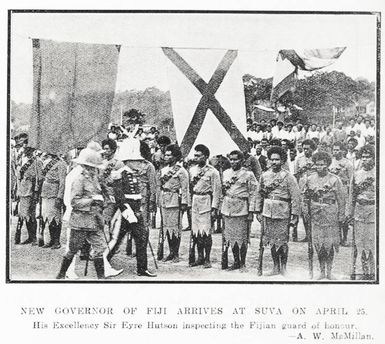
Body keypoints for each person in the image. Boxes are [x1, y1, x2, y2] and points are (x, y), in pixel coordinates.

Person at [56, 148, 108, 279]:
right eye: (91, 167)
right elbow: (74, 201)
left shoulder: (95, 179)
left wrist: (103, 200)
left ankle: (101, 278)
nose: (94, 170)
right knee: (73, 250)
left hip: (95, 220)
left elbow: (100, 194)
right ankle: (61, 274)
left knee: (100, 248)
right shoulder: (79, 180)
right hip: (80, 221)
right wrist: (92, 200)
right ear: (85, 166)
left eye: (95, 168)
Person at [110, 138, 157, 277]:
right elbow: (119, 196)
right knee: (115, 240)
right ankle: (103, 262)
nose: (140, 163)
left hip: (136, 211)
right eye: (137, 161)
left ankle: (142, 269)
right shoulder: (120, 174)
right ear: (129, 161)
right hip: (125, 212)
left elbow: (137, 195)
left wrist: (139, 210)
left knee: (142, 239)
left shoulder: (134, 174)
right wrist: (127, 212)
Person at [300, 151, 346, 280]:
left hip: (330, 214)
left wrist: (341, 216)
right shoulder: (309, 179)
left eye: (322, 164)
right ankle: (321, 271)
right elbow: (305, 198)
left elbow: (341, 200)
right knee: (318, 244)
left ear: (327, 164)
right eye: (317, 164)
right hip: (315, 214)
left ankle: (329, 272)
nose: (319, 167)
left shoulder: (335, 179)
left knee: (329, 244)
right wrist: (305, 212)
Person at [256, 146, 300, 275]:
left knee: (282, 241)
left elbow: (295, 196)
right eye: (272, 159)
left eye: (277, 159)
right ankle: (275, 267)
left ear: (282, 161)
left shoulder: (288, 177)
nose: (274, 162)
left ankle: (283, 268)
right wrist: (258, 211)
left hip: (282, 212)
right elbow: (259, 194)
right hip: (267, 211)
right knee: (271, 241)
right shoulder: (264, 176)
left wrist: (295, 214)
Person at [221, 150, 258, 270]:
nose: (233, 162)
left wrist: (251, 211)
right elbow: (223, 192)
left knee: (241, 237)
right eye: (231, 159)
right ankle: (235, 261)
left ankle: (242, 262)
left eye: (236, 159)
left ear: (241, 161)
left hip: (242, 208)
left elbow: (253, 193)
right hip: (228, 208)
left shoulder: (248, 174)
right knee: (230, 237)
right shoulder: (226, 173)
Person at [189, 144, 221, 268]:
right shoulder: (192, 170)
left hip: (206, 201)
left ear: (206, 156)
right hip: (195, 201)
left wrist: (214, 208)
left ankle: (207, 259)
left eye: (199, 155)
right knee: (196, 233)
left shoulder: (213, 172)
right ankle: (200, 257)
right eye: (195, 155)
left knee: (206, 233)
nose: (196, 157)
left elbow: (217, 191)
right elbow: (190, 188)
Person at [347, 144, 376, 280]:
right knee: (359, 243)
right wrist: (349, 214)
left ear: (373, 158)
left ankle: (373, 273)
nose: (364, 160)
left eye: (368, 157)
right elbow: (352, 195)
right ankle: (363, 272)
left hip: (373, 212)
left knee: (371, 243)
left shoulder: (378, 173)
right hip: (359, 211)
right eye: (363, 157)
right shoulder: (357, 175)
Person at [159, 144, 189, 262]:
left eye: (169, 155)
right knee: (166, 228)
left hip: (175, 200)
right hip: (165, 200)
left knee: (175, 228)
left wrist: (184, 203)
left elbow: (185, 188)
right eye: (165, 155)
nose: (166, 157)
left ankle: (175, 253)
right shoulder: (163, 170)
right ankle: (171, 252)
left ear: (175, 157)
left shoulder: (181, 171)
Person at [15, 146, 42, 245]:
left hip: (30, 191)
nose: (26, 151)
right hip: (22, 190)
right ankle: (30, 237)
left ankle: (33, 238)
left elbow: (39, 178)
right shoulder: (22, 160)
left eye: (28, 149)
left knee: (31, 215)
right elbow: (19, 176)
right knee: (24, 215)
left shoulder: (36, 162)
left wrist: (36, 192)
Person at [39, 153, 67, 249]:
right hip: (46, 192)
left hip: (54, 193)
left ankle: (56, 241)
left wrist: (60, 196)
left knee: (55, 217)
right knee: (47, 216)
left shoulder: (61, 164)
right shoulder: (47, 161)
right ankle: (51, 240)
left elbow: (62, 181)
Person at [329, 142, 353, 246]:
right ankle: (337, 237)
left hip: (344, 189)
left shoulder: (348, 163)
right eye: (334, 150)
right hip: (333, 189)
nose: (335, 152)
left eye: (337, 150)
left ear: (342, 151)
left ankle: (344, 238)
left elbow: (352, 179)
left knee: (343, 213)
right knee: (335, 212)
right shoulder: (330, 162)